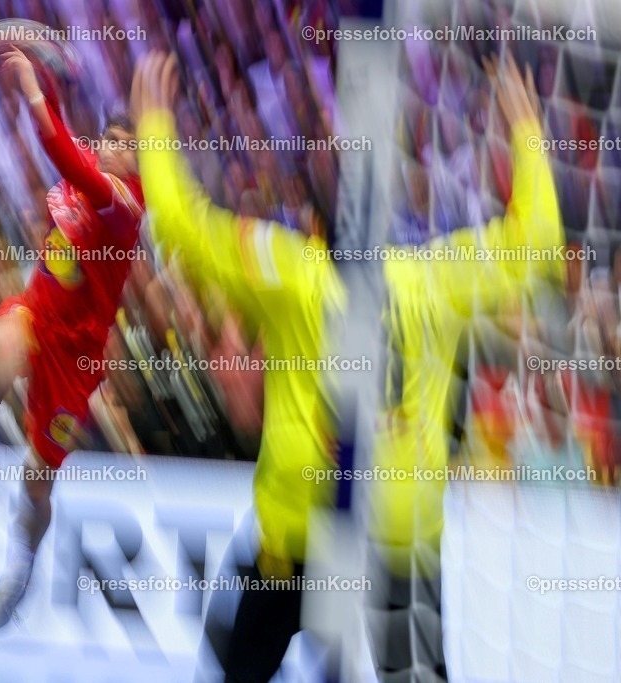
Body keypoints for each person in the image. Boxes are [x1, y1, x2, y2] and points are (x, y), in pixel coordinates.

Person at [131, 53, 346, 682]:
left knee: (230, 663)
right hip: (375, 548)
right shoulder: (419, 285)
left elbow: (184, 228)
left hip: (293, 545)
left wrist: (155, 128)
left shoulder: (295, 272)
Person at [369, 53, 562, 679]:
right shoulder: (436, 275)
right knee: (413, 666)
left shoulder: (312, 273)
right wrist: (527, 133)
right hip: (404, 516)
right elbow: (537, 243)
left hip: (324, 512)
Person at [0, 45, 145, 630]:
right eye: (111, 139)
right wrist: (39, 70)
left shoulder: (120, 203)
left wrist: (29, 84)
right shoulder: (87, 173)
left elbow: (57, 143)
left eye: (129, 145)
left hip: (76, 361)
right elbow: (66, 129)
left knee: (35, 483)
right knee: (1, 340)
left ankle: (20, 569)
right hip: (38, 314)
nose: (116, 148)